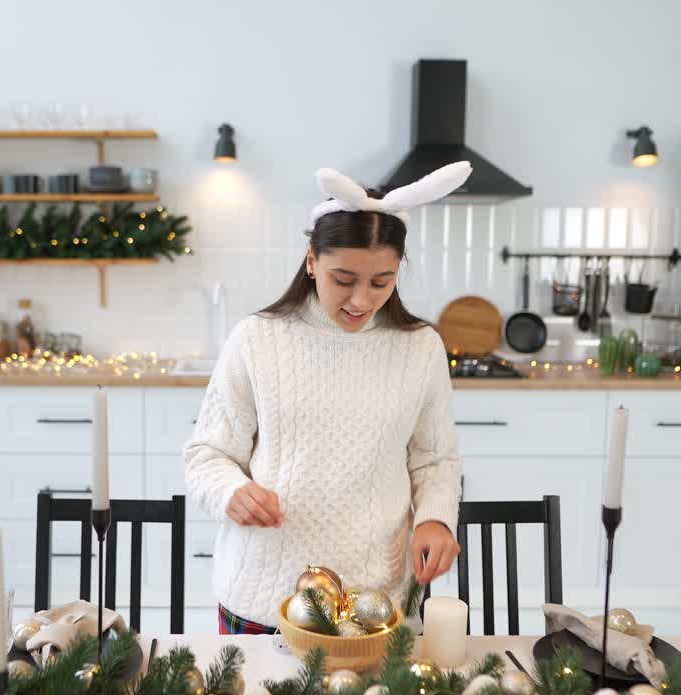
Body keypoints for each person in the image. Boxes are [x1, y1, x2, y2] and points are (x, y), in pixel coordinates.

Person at [184, 161, 471, 634]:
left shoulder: (420, 347)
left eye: (381, 282)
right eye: (344, 279)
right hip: (263, 599)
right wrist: (231, 492)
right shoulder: (256, 339)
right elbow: (207, 455)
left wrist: (436, 521)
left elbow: (435, 459)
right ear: (312, 260)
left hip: (378, 605)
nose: (361, 300)